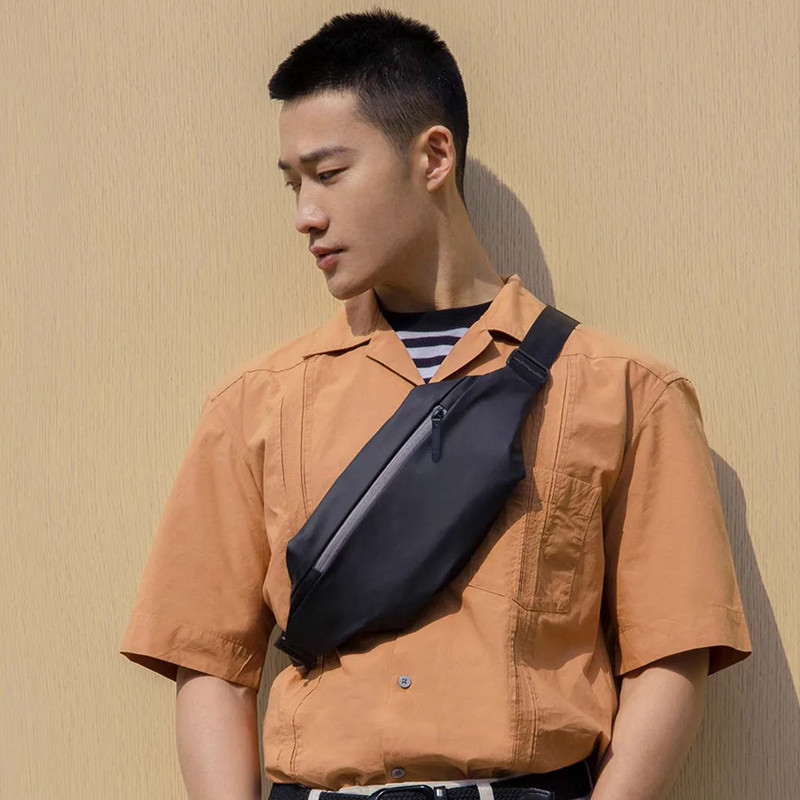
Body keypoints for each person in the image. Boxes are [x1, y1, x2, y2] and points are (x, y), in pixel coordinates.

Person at [119, 8, 752, 800]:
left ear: (433, 156)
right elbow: (210, 664)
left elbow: (670, 652)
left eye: (328, 173)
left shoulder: (625, 393)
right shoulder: (255, 406)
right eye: (293, 184)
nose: (305, 214)